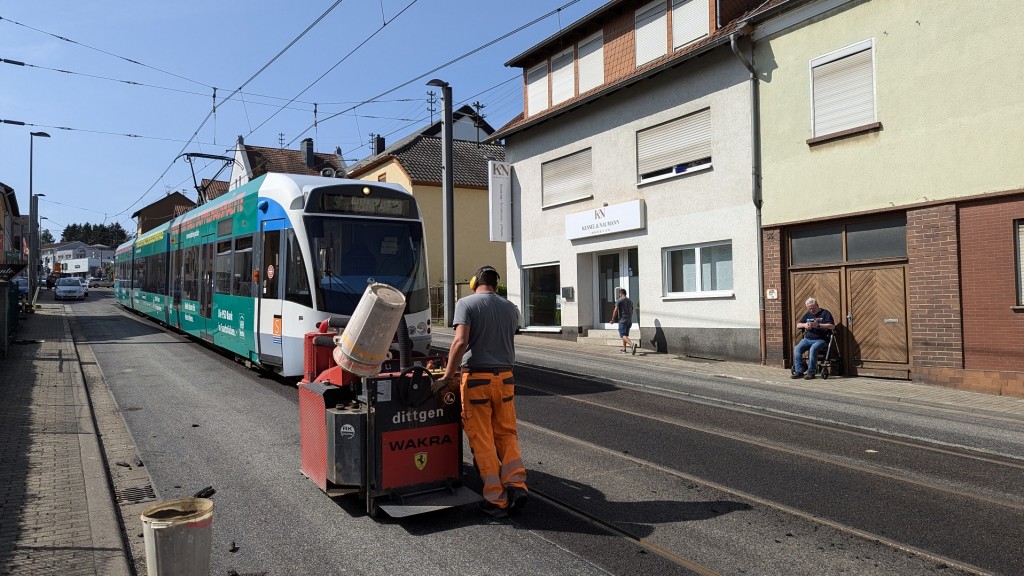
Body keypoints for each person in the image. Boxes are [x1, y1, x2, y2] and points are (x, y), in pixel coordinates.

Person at [437, 265, 528, 518]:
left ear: (474, 281)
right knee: (507, 432)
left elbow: (460, 341)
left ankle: (496, 498)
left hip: (477, 379)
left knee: (482, 438)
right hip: (506, 379)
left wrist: (446, 375)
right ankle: (516, 484)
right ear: (497, 285)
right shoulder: (511, 308)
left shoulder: (466, 304)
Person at [792, 297, 835, 380]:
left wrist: (818, 325)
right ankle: (799, 371)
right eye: (809, 308)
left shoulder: (825, 313)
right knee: (797, 349)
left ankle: (811, 372)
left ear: (817, 305)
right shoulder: (808, 314)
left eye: (812, 308)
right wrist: (805, 325)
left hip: (821, 339)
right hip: (807, 339)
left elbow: (832, 326)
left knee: (813, 349)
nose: (811, 310)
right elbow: (798, 325)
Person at [610, 288, 637, 355]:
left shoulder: (619, 300)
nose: (619, 295)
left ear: (621, 294)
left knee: (622, 335)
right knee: (625, 335)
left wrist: (613, 319)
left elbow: (615, 310)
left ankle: (632, 345)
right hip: (629, 320)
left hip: (623, 320)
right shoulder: (630, 301)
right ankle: (624, 348)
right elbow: (632, 311)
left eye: (619, 294)